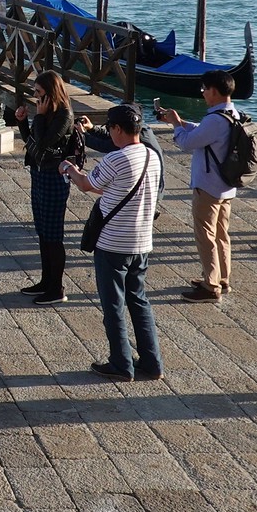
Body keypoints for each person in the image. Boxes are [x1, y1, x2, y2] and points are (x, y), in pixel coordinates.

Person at [63, 104, 162, 381]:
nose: (109, 134)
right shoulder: (151, 155)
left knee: (113, 306)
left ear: (118, 129)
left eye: (110, 128)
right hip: (141, 242)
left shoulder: (116, 159)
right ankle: (152, 363)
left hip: (113, 243)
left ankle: (121, 363)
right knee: (139, 300)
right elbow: (108, 185)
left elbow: (86, 184)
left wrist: (69, 168)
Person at [158, 68, 241, 302]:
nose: (203, 94)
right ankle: (222, 278)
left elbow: (187, 143)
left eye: (204, 89)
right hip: (226, 186)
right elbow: (203, 132)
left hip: (208, 186)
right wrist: (181, 122)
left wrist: (175, 126)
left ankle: (210, 285)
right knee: (222, 234)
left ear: (213, 91)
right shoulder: (232, 113)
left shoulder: (214, 119)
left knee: (205, 236)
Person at [17, 71, 77, 304]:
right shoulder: (46, 114)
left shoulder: (64, 116)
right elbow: (32, 143)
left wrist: (39, 117)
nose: (36, 99)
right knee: (42, 232)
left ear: (51, 93)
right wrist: (23, 122)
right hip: (39, 174)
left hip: (54, 178)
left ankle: (57, 287)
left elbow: (43, 142)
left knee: (54, 235)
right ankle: (45, 281)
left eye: (39, 93)